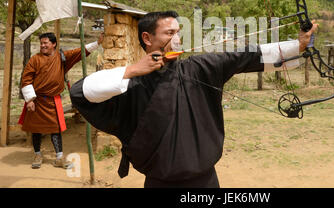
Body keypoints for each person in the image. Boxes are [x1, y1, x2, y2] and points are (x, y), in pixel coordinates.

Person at [70, 11, 317, 187]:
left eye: (178, 33)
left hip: (205, 184)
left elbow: (242, 57)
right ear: (147, 38)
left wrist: (298, 45)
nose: (177, 39)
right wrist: (134, 69)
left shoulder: (199, 68)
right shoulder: (132, 84)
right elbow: (80, 92)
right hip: (159, 183)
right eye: (169, 33)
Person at [19, 32, 104, 169]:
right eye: (41, 43)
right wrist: (29, 100)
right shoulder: (35, 59)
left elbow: (80, 52)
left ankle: (59, 158)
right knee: (36, 129)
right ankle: (37, 154)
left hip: (53, 100)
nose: (43, 45)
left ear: (53, 44)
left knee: (56, 129)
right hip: (37, 100)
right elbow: (26, 79)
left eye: (46, 43)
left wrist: (97, 43)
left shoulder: (62, 57)